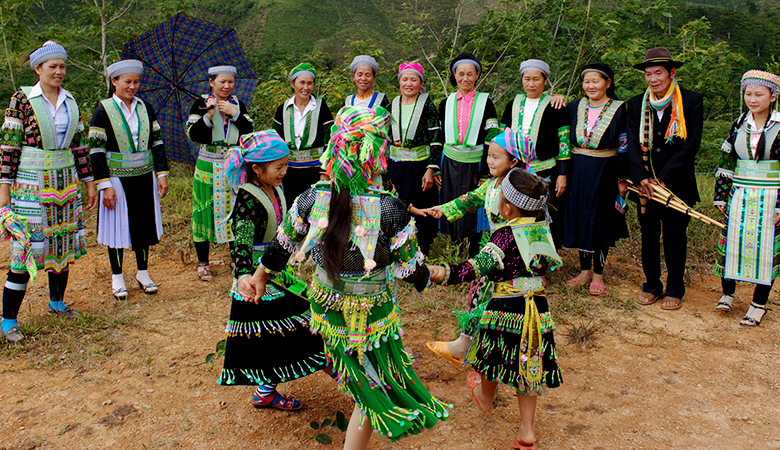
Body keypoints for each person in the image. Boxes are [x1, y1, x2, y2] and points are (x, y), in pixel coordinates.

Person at [241, 105, 450, 448]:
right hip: (373, 311)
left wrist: (260, 277)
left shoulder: (312, 198)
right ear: (374, 154)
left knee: (362, 377)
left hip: (327, 308)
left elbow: (282, 245)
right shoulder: (389, 207)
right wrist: (432, 276)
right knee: (372, 383)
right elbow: (411, 269)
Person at [429, 167, 563, 450]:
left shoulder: (503, 236)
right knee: (529, 363)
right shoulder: (542, 230)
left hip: (504, 307)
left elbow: (475, 268)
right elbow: (549, 265)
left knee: (490, 356)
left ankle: (485, 397)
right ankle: (527, 430)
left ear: (508, 207)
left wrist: (443, 273)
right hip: (537, 308)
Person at [218, 129, 329, 409]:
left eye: (286, 165)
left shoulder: (276, 189)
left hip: (277, 272)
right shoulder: (248, 199)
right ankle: (343, 376)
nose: (284, 172)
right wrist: (244, 275)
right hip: (260, 281)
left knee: (282, 332)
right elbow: (241, 240)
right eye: (278, 167)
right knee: (287, 331)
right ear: (257, 169)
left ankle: (266, 390)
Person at [0, 41, 98, 343]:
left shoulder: (70, 101)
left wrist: (89, 182)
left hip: (65, 181)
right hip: (30, 183)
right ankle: (8, 320)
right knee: (25, 249)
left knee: (61, 244)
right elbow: (9, 147)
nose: (59, 71)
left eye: (62, 66)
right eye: (52, 66)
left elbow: (79, 146)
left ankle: (57, 303)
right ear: (38, 68)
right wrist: (4, 191)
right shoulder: (22, 100)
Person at [423, 129, 534, 365]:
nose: (489, 161)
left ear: (514, 161)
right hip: (495, 248)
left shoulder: (520, 190)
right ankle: (466, 344)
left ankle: (493, 353)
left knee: (496, 302)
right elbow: (471, 199)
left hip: (511, 255)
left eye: (496, 157)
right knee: (480, 294)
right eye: (488, 155)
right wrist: (444, 209)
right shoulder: (493, 184)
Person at [627, 47, 703, 310]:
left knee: (674, 236)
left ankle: (675, 288)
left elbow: (690, 145)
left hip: (677, 184)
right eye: (648, 74)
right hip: (645, 186)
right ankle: (652, 284)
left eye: (658, 73)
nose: (653, 79)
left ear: (671, 73)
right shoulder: (636, 104)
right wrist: (642, 177)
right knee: (648, 235)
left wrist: (664, 178)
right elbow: (632, 145)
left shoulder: (690, 101)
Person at [89, 59, 169, 299]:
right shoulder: (103, 111)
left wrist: (162, 174)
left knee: (143, 225)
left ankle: (143, 272)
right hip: (116, 179)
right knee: (117, 228)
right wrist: (105, 185)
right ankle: (117, 276)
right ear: (114, 82)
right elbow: (96, 151)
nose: (132, 86)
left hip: (144, 176)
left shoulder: (145, 107)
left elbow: (156, 141)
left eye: (136, 82)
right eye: (127, 82)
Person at [713, 69, 780, 326]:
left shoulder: (779, 127)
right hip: (739, 195)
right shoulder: (739, 124)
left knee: (767, 249)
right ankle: (727, 293)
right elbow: (727, 160)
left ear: (773, 96)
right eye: (748, 93)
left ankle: (758, 304)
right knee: (732, 242)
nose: (752, 99)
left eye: (759, 94)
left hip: (771, 197)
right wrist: (721, 195)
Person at [563, 62, 629, 296]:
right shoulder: (574, 107)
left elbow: (624, 146)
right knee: (581, 217)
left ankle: (598, 274)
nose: (590, 86)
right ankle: (584, 272)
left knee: (600, 221)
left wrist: (622, 179)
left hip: (605, 170)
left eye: (595, 81)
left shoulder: (620, 109)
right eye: (586, 81)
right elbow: (561, 135)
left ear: (607, 83)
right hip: (578, 170)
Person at [187, 65, 254, 281]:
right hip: (207, 165)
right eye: (222, 81)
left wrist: (234, 114)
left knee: (235, 210)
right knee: (203, 210)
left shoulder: (238, 105)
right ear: (211, 82)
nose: (226, 86)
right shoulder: (200, 104)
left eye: (230, 82)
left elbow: (249, 133)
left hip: (234, 166)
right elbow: (194, 135)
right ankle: (203, 262)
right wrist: (208, 116)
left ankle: (236, 257)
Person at [437, 52, 500, 257]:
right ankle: (455, 242)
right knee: (452, 198)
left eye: (470, 74)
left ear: (477, 75)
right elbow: (441, 135)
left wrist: (486, 171)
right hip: (450, 161)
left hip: (476, 162)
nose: (465, 78)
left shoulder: (486, 102)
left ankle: (474, 246)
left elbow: (491, 136)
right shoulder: (446, 103)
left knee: (475, 202)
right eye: (461, 74)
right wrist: (436, 166)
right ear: (454, 75)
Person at [501, 59, 570, 248]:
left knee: (545, 214)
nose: (531, 84)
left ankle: (545, 256)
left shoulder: (556, 107)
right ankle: (518, 252)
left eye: (536, 79)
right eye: (527, 79)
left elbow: (564, 144)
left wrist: (562, 174)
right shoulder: (512, 105)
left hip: (545, 170)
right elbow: (501, 137)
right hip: (516, 170)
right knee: (517, 213)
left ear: (545, 80)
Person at [387, 62, 441, 253]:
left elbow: (436, 138)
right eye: (405, 79)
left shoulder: (427, 104)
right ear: (399, 81)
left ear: (421, 82)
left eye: (413, 79)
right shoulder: (392, 104)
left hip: (420, 167)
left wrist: (431, 169)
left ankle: (421, 248)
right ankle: (397, 246)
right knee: (398, 202)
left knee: (421, 205)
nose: (408, 84)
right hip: (396, 166)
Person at [273, 63, 334, 206]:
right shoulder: (283, 109)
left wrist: (324, 172)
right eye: (301, 82)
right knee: (289, 209)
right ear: (292, 84)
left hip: (315, 172)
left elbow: (330, 141)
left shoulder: (321, 108)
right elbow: (276, 140)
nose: (306, 87)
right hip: (288, 173)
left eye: (310, 83)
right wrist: (277, 171)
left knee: (314, 210)